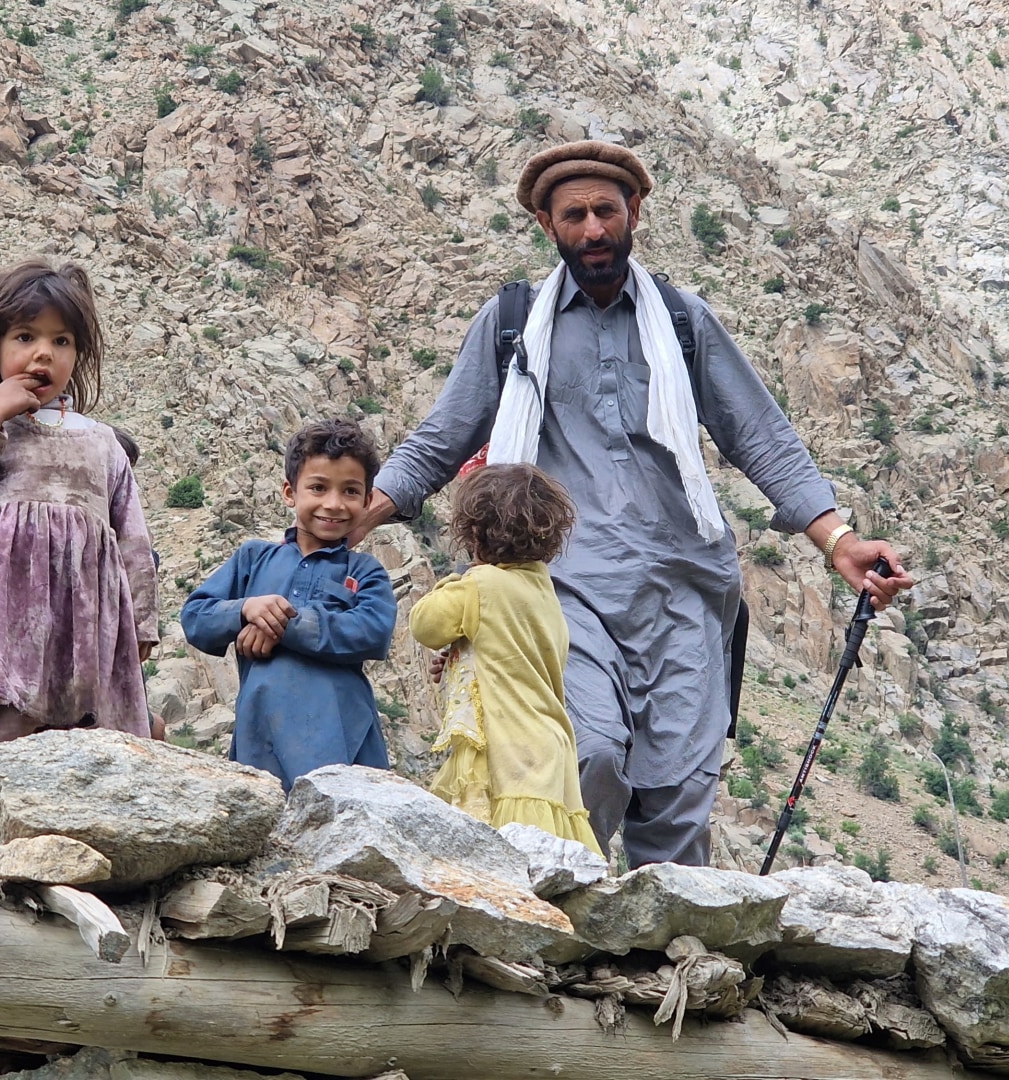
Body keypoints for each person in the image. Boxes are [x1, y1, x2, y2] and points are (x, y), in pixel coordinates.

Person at [352, 140, 915, 867]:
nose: (593, 230)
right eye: (575, 215)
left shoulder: (682, 321)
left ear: (635, 212)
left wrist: (837, 539)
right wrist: (363, 513)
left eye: (606, 211)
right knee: (590, 755)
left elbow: (761, 436)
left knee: (678, 789)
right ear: (546, 226)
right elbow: (443, 434)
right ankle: (568, 937)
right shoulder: (512, 324)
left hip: (683, 588)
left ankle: (664, 963)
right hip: (561, 588)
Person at [0, 258, 158, 760]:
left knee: (92, 757)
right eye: (25, 337)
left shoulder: (103, 444)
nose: (43, 354)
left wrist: (141, 627)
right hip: (0, 632)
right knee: (5, 753)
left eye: (61, 341)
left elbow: (133, 541)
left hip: (86, 636)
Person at [180, 419, 397, 789]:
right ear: (289, 492)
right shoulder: (252, 559)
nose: (333, 503)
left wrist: (280, 625)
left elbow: (373, 632)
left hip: (344, 743)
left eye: (350, 491)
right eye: (317, 487)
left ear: (366, 500)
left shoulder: (365, 572)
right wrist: (246, 609)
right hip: (261, 742)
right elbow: (195, 616)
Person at [410, 463, 601, 854]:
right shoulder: (543, 590)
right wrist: (463, 651)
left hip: (507, 751)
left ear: (474, 533)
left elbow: (425, 624)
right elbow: (512, 652)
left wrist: (460, 580)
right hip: (549, 746)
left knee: (500, 860)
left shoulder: (481, 585)